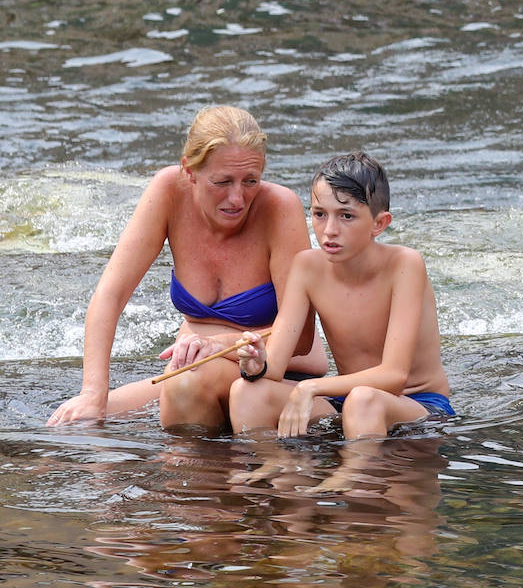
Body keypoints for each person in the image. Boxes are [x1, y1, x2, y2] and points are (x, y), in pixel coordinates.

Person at [47, 106, 326, 429]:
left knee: (184, 384)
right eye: (222, 181)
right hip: (197, 364)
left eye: (251, 181)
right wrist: (93, 392)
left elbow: (302, 338)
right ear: (189, 171)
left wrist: (217, 345)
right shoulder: (168, 190)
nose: (238, 198)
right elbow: (109, 295)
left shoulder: (279, 207)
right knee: (74, 423)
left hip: (279, 370)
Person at [228, 151, 452, 442]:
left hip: (418, 406)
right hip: (349, 401)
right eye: (320, 214)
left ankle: (352, 483)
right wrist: (256, 364)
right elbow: (276, 363)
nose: (329, 231)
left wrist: (311, 388)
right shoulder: (307, 267)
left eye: (346, 216)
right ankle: (280, 477)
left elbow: (395, 376)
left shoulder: (405, 264)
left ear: (379, 223)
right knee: (246, 392)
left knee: (363, 400)